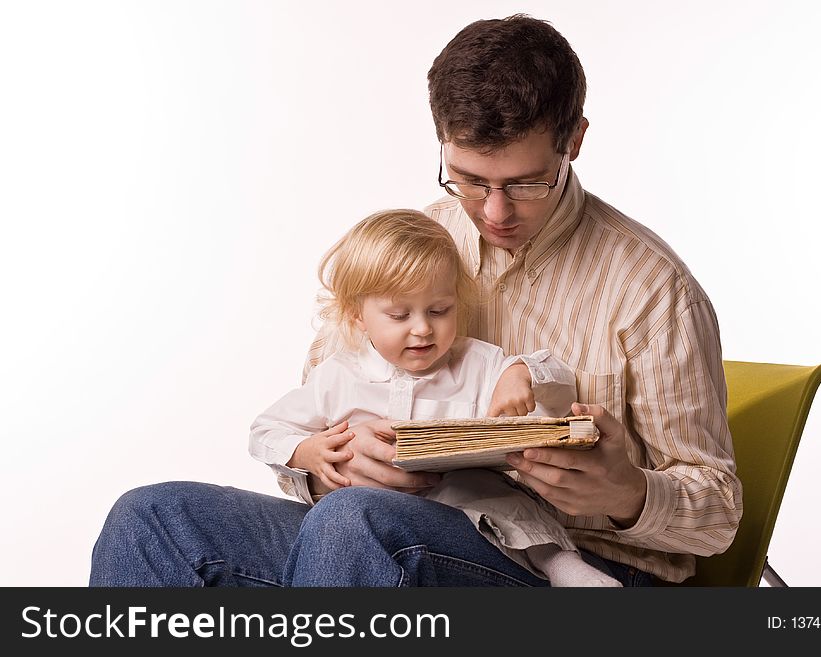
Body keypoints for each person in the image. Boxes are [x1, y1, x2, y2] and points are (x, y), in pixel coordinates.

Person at [90, 14, 742, 587]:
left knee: (356, 526)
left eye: (525, 182)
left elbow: (717, 515)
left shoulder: (653, 292)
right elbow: (317, 410)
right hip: (368, 535)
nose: (494, 211)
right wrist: (332, 467)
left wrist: (630, 492)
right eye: (466, 179)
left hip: (577, 565)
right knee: (152, 520)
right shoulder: (408, 247)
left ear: (574, 141)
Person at [249, 208, 621, 587]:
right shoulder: (338, 374)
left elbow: (560, 381)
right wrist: (305, 452)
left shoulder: (478, 361)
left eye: (440, 310)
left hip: (468, 523)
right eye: (399, 315)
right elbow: (265, 431)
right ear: (357, 315)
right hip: (365, 524)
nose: (423, 329)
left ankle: (563, 568)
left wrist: (521, 373)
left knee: (507, 505)